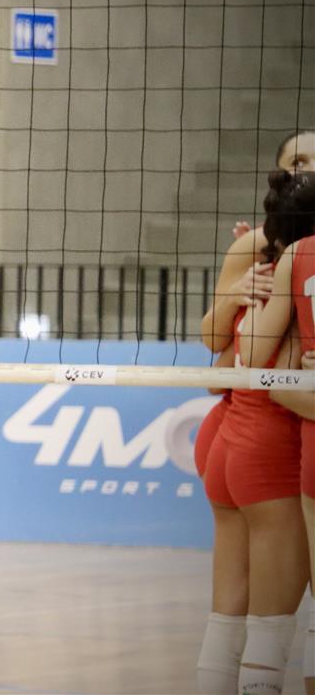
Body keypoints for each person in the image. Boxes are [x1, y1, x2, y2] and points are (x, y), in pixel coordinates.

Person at [194, 132, 313, 693]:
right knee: (271, 624)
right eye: (298, 161)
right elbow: (219, 349)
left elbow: (234, 363)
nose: (306, 169)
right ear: (280, 171)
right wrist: (238, 293)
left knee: (234, 617)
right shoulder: (266, 251)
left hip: (238, 437)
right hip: (265, 439)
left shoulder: (290, 251)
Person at [236, 170, 315, 695]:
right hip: (271, 442)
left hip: (271, 437)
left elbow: (245, 358)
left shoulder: (289, 257)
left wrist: (240, 296)